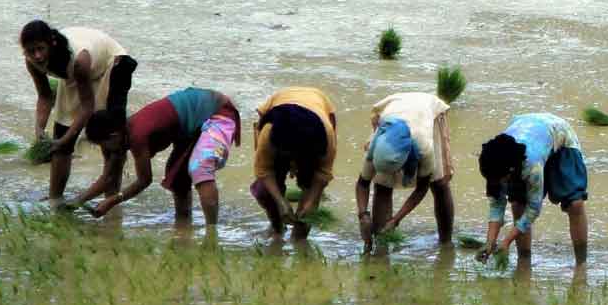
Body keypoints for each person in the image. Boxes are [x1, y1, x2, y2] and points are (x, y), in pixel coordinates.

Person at [75, 87, 241, 224]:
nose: (105, 150)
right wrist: (76, 202)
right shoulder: (124, 133)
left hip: (218, 113)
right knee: (177, 179)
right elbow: (108, 177)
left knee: (200, 167)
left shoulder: (137, 135)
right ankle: (183, 225)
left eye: (103, 145)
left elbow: (144, 180)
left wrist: (112, 201)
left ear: (113, 136)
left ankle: (212, 234)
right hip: (191, 127)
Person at [19, 20, 137, 204]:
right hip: (77, 75)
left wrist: (64, 140)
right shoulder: (32, 62)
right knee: (61, 137)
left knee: (110, 135)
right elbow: (44, 96)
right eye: (31, 51)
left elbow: (87, 106)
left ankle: (111, 201)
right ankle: (55, 200)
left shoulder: (79, 61)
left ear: (52, 42)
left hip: (112, 65)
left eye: (41, 49)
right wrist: (39, 129)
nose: (38, 56)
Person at [476, 113, 588, 265]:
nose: (497, 182)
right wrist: (490, 242)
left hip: (560, 136)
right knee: (518, 204)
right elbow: (497, 203)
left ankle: (581, 264)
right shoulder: (494, 162)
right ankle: (524, 262)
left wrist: (506, 242)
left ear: (510, 171)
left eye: (501, 179)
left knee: (575, 204)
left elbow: (534, 209)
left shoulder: (531, 165)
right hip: (526, 128)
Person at [355, 92, 455, 252]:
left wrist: (396, 219)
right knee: (382, 185)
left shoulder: (424, 147)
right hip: (395, 115)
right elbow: (362, 183)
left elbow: (421, 189)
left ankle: (446, 244)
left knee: (439, 183)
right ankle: (381, 247)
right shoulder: (376, 145)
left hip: (429, 113)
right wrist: (363, 215)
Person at [250, 87, 337, 239]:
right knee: (264, 191)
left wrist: (310, 202)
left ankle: (299, 241)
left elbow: (323, 173)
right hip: (279, 125)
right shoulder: (269, 132)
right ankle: (277, 229)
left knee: (309, 193)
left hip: (315, 123)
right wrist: (280, 201)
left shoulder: (325, 136)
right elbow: (263, 170)